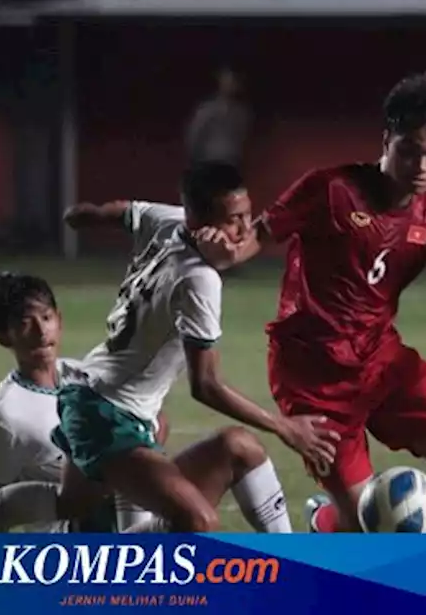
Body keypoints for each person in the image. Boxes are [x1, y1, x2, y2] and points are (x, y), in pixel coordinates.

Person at [203, 72, 426, 533]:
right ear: (387, 140)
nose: (421, 165)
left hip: (383, 362)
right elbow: (258, 234)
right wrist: (226, 254)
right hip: (313, 378)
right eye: (410, 150)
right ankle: (325, 520)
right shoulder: (330, 190)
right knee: (364, 524)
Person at [53, 162, 337, 533]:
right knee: (196, 519)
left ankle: (293, 566)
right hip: (108, 414)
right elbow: (205, 385)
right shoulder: (199, 280)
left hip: (103, 398)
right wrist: (284, 427)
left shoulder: (166, 219)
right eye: (233, 220)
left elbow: (106, 212)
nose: (243, 229)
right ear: (200, 222)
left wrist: (83, 215)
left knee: (240, 448)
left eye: (247, 215)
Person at [0, 272, 165, 533]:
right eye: (26, 322)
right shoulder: (2, 415)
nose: (41, 331)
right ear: (4, 336)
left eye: (47, 318)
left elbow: (155, 422)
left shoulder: (89, 376)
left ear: (59, 321)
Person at [186, 67, 251, 168]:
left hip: (232, 163)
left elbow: (243, 138)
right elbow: (194, 134)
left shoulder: (241, 112)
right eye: (226, 80)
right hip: (208, 162)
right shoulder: (207, 108)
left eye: (233, 81)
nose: (230, 84)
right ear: (220, 82)